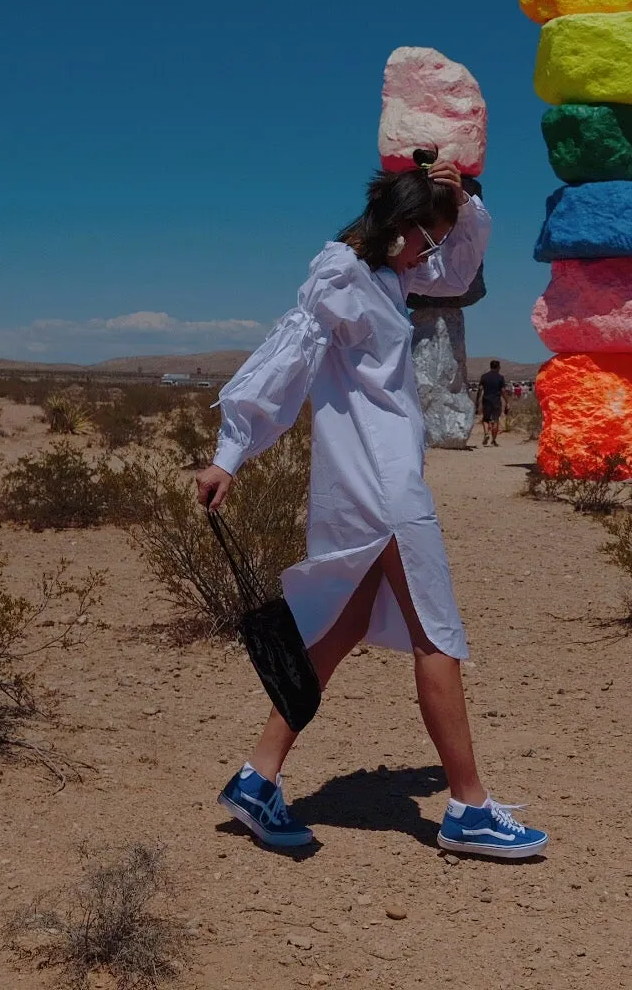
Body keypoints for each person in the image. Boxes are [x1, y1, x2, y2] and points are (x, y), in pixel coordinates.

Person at [195, 157, 546, 859]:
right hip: (383, 486)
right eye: (426, 238)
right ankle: (468, 807)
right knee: (435, 631)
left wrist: (464, 198)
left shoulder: (390, 277)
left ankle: (258, 777)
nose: (432, 255)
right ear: (398, 229)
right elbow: (286, 354)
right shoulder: (341, 275)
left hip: (376, 476)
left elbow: (459, 270)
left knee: (342, 624)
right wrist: (230, 450)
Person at [478, 359, 505, 446]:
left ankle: (486, 434)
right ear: (497, 367)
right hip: (496, 400)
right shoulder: (500, 378)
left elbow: (480, 389)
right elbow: (503, 390)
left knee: (485, 419)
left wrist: (477, 400)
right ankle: (493, 440)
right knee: (495, 420)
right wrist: (507, 401)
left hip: (486, 400)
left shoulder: (484, 377)